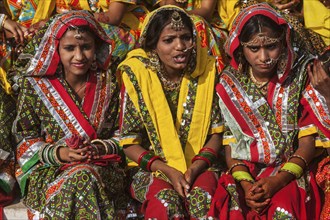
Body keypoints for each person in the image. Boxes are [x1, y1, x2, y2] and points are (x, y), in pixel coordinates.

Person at [210, 3, 324, 219]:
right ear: (240, 48)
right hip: (246, 172)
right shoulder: (229, 82)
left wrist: (277, 181)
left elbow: (308, 143)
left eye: (271, 46)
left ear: (283, 40)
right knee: (236, 207)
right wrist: (245, 185)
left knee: (283, 208)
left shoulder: (301, 74)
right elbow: (230, 144)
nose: (264, 57)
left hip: (292, 169)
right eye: (254, 48)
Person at [11, 10, 128, 219]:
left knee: (83, 174)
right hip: (51, 170)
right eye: (69, 48)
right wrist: (61, 154)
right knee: (80, 176)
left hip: (102, 169)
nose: (79, 56)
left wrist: (98, 148)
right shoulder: (35, 85)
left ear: (96, 47)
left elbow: (124, 133)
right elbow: (24, 140)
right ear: (56, 49)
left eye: (86, 47)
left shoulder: (110, 83)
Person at [118, 6, 224, 219]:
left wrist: (194, 169)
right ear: (153, 45)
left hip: (202, 165)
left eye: (186, 38)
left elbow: (216, 133)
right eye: (169, 40)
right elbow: (129, 142)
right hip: (152, 168)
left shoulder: (207, 70)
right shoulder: (137, 74)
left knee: (202, 200)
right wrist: (168, 170)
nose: (180, 47)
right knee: (166, 203)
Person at [56, 0, 156, 62]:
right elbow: (63, 16)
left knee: (90, 34)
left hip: (126, 30)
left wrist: (75, 16)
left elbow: (113, 18)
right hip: (85, 26)